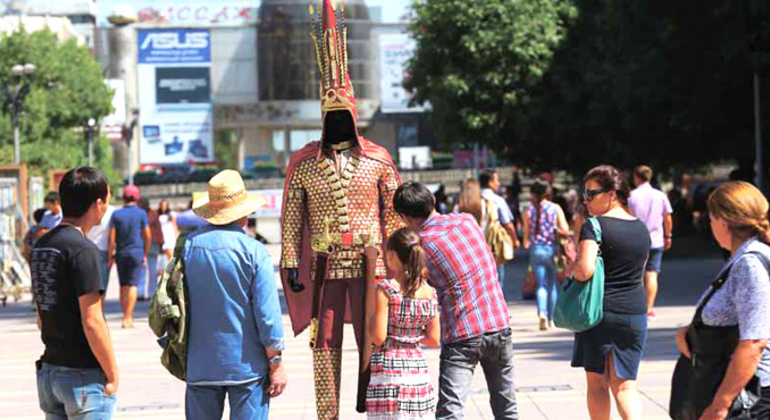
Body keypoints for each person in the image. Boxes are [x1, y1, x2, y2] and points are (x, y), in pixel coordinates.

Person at [278, 2, 403, 418]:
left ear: (352, 114)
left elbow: (396, 216)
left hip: (373, 264)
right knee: (324, 340)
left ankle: (375, 405)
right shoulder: (305, 163)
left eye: (342, 114)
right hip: (327, 264)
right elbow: (293, 215)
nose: (336, 121)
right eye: (329, 115)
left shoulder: (378, 158)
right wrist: (292, 261)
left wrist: (400, 260)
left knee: (375, 336)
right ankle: (327, 413)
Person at [394, 181, 518, 419]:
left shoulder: (422, 248)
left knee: (451, 411)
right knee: (507, 405)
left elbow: (418, 291)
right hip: (498, 324)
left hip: (462, 334)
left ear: (404, 217)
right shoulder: (467, 221)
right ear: (432, 200)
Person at [184, 170, 286, 419]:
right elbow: (267, 316)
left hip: (199, 365)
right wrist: (276, 364)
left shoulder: (187, 247)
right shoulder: (254, 251)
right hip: (247, 367)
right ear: (245, 211)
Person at [675, 181, 770, 419]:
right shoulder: (743, 257)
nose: (709, 224)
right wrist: (692, 330)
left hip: (751, 396)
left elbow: (754, 341)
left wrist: (720, 405)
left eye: (711, 218)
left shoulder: (750, 264)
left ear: (723, 221)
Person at [31, 167, 118, 418]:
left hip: (50, 371)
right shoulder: (83, 251)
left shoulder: (43, 245)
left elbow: (41, 315)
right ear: (98, 203)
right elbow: (92, 320)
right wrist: (112, 373)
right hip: (83, 377)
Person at [570, 165, 650, 420]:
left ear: (612, 193)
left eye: (592, 194)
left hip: (600, 314)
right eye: (585, 194)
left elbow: (585, 270)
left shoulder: (594, 225)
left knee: (597, 384)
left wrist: (571, 271)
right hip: (635, 313)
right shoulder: (641, 228)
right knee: (626, 386)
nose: (586, 200)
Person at [366, 227, 440, 419]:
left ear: (391, 255)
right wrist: (410, 337)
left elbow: (379, 337)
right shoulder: (430, 292)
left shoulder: (386, 289)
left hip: (388, 371)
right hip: (418, 373)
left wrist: (371, 321)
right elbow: (434, 339)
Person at [523, 180, 570, 331]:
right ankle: (550, 318)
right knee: (552, 285)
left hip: (536, 249)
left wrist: (528, 242)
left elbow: (525, 236)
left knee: (540, 285)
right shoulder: (555, 208)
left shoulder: (528, 211)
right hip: (552, 249)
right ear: (547, 192)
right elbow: (565, 228)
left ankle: (541, 313)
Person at [628, 165, 673, 320]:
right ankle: (649, 309)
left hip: (635, 240)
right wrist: (668, 235)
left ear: (637, 177)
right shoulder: (659, 195)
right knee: (652, 275)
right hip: (656, 240)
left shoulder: (631, 196)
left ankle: (637, 308)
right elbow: (667, 217)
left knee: (636, 275)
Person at [108, 185, 150, 328]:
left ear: (124, 197)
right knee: (133, 285)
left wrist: (110, 255)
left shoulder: (116, 214)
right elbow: (147, 235)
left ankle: (124, 315)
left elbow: (111, 238)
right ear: (136, 197)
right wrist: (145, 252)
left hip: (121, 252)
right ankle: (128, 316)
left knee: (123, 285)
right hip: (136, 252)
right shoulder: (141, 213)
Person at [479, 169, 519, 289]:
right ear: (490, 183)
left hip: (475, 246)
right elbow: (508, 225)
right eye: (497, 180)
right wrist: (515, 240)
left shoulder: (472, 200)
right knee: (497, 278)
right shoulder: (497, 200)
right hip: (493, 245)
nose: (499, 184)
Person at [86, 202, 115, 293]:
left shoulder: (85, 207)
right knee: (101, 288)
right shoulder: (112, 211)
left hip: (86, 249)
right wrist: (111, 256)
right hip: (103, 250)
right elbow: (112, 237)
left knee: (88, 287)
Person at [138, 197, 163, 301]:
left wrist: (161, 242)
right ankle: (150, 292)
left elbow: (158, 229)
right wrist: (161, 242)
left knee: (143, 269)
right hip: (151, 244)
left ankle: (143, 292)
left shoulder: (140, 215)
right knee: (150, 269)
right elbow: (159, 229)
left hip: (147, 244)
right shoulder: (153, 214)